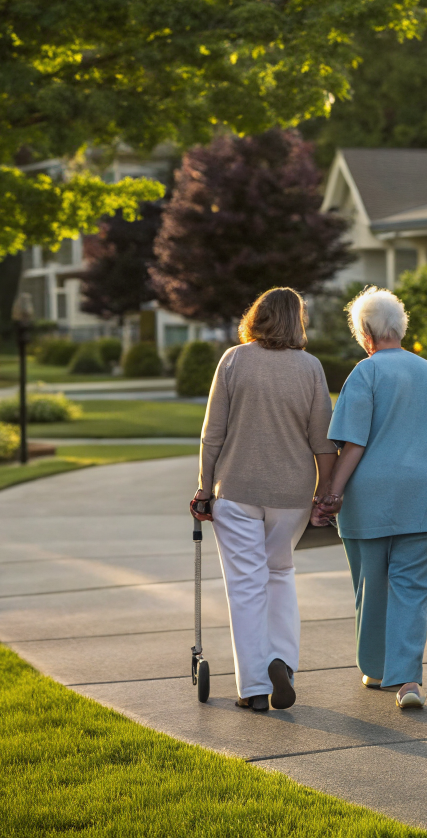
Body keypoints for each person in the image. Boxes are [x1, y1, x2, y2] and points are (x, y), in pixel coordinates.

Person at [315, 286, 427, 709]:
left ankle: (377, 669)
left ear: (365, 331)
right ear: (399, 328)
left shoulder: (364, 374)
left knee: (371, 584)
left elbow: (353, 445)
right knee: (412, 590)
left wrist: (331, 494)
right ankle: (407, 682)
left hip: (372, 499)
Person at [189, 287, 337, 712]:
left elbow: (212, 433)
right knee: (280, 574)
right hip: (290, 496)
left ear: (257, 316)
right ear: (297, 322)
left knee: (245, 587)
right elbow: (323, 442)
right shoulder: (310, 368)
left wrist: (204, 487)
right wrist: (324, 495)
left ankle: (254, 686)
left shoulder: (234, 360)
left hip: (236, 491)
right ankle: (283, 665)